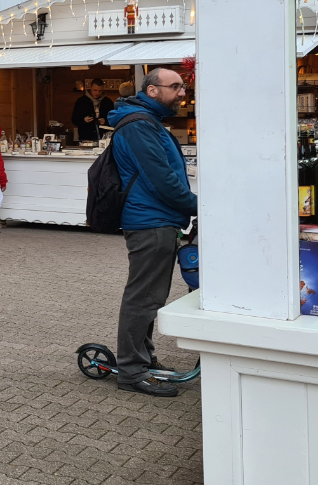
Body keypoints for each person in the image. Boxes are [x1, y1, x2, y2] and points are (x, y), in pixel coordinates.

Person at [107, 68, 198, 397]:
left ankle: (142, 359)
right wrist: (197, 205)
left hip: (158, 220)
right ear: (153, 90)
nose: (181, 92)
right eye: (174, 86)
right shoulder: (140, 125)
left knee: (151, 297)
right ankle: (131, 369)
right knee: (143, 297)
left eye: (182, 86)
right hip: (150, 221)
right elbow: (161, 179)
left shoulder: (147, 121)